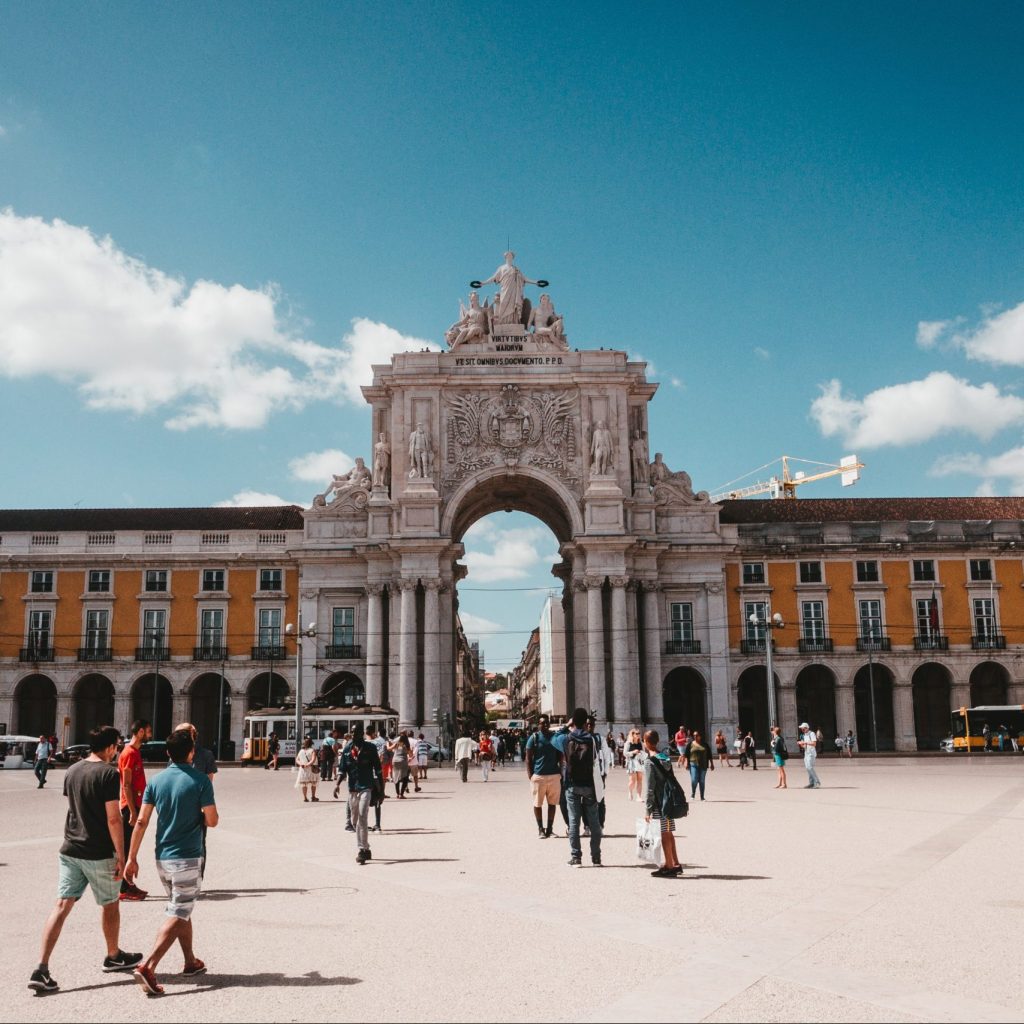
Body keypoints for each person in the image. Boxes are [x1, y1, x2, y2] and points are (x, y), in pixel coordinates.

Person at [28, 725, 143, 994]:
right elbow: (113, 818)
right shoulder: (107, 773)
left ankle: (41, 968)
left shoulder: (73, 770)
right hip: (98, 851)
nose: (117, 750)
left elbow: (74, 807)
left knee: (61, 906)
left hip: (70, 849)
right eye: (116, 745)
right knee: (110, 904)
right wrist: (122, 855)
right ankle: (114, 956)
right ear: (110, 747)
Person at [125, 729, 218, 996]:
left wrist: (132, 858)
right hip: (188, 857)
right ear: (191, 752)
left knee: (181, 907)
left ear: (167, 753)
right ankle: (148, 966)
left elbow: (141, 821)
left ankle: (190, 961)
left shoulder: (156, 781)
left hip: (162, 858)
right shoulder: (200, 781)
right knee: (178, 911)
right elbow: (212, 820)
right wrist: (201, 814)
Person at [552, 708, 603, 868]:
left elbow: (554, 738)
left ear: (573, 721)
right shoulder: (594, 739)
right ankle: (596, 858)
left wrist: (567, 725)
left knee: (574, 822)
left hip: (572, 784)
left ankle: (576, 858)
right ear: (586, 722)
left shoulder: (566, 738)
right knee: (594, 822)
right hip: (589, 784)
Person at [118, 719, 152, 902]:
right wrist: (132, 811)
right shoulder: (129, 753)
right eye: (148, 731)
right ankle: (123, 888)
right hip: (130, 807)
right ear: (139, 732)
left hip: (135, 805)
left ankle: (128, 884)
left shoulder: (135, 752)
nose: (150, 735)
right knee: (126, 848)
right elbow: (127, 784)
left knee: (130, 847)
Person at [643, 729, 683, 878]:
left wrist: (648, 810)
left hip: (661, 803)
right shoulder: (664, 757)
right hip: (670, 800)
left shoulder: (649, 762)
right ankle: (676, 863)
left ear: (646, 743)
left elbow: (650, 788)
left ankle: (669, 866)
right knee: (669, 832)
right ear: (657, 741)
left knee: (665, 833)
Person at [340, 724, 382, 865]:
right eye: (351, 732)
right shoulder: (347, 749)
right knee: (355, 820)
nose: (353, 734)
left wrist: (381, 790)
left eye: (356, 732)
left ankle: (362, 850)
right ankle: (367, 848)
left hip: (366, 787)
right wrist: (336, 785)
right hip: (353, 789)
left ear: (362, 733)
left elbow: (378, 769)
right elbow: (342, 769)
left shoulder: (370, 748)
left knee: (363, 817)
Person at [525, 714, 563, 838]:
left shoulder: (554, 737)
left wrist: (560, 772)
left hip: (553, 775)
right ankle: (540, 829)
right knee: (537, 803)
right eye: (542, 723)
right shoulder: (534, 738)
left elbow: (560, 755)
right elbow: (528, 758)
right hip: (539, 776)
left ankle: (550, 829)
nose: (545, 725)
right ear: (538, 724)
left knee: (552, 804)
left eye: (547, 722)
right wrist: (530, 775)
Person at [684, 730, 714, 800]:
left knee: (702, 781)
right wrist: (686, 763)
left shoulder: (705, 745)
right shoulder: (690, 744)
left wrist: (712, 764)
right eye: (694, 735)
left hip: (703, 765)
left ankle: (702, 797)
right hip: (693, 764)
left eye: (697, 735)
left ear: (700, 736)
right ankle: (693, 793)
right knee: (694, 779)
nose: (695, 736)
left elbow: (709, 755)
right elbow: (686, 755)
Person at [294, 737, 319, 802]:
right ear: (311, 744)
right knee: (313, 783)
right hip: (311, 769)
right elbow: (313, 760)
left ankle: (305, 798)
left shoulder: (301, 751)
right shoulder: (313, 750)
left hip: (303, 770)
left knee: (304, 784)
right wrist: (307, 765)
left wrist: (301, 764)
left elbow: (297, 760)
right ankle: (313, 797)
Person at [798, 722, 821, 788]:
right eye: (801, 729)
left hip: (811, 753)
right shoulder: (805, 735)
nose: (802, 730)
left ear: (806, 728)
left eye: (802, 729)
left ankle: (817, 782)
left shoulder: (812, 733)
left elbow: (814, 744)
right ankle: (811, 783)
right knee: (808, 768)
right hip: (806, 753)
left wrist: (804, 742)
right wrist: (801, 744)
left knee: (810, 767)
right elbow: (805, 746)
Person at [625, 728, 645, 801]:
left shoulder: (641, 743)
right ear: (632, 735)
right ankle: (630, 792)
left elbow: (644, 752)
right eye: (636, 734)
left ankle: (639, 796)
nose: (638, 735)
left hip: (639, 762)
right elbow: (625, 753)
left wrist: (641, 754)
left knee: (640, 779)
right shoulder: (628, 743)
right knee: (632, 781)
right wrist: (633, 752)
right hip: (631, 762)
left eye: (639, 733)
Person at [390, 733, 411, 798]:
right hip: (403, 761)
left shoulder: (396, 744)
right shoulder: (406, 745)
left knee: (396, 777)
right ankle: (401, 794)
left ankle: (397, 794)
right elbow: (410, 754)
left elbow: (390, 749)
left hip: (395, 761)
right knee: (405, 777)